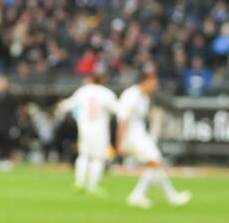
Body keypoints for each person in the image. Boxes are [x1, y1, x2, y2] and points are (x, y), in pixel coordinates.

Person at [117, 68, 191, 209]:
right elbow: (123, 120)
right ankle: (169, 196)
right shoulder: (131, 95)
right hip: (132, 136)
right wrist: (120, 142)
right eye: (153, 81)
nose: (155, 84)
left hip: (139, 134)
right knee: (154, 161)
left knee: (155, 163)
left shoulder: (144, 97)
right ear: (145, 81)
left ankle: (141, 195)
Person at [55, 74, 118, 196]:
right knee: (98, 158)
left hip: (84, 128)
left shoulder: (83, 91)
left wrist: (59, 105)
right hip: (100, 129)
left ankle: (79, 183)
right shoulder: (106, 93)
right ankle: (92, 186)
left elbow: (66, 105)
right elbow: (117, 109)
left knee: (84, 155)